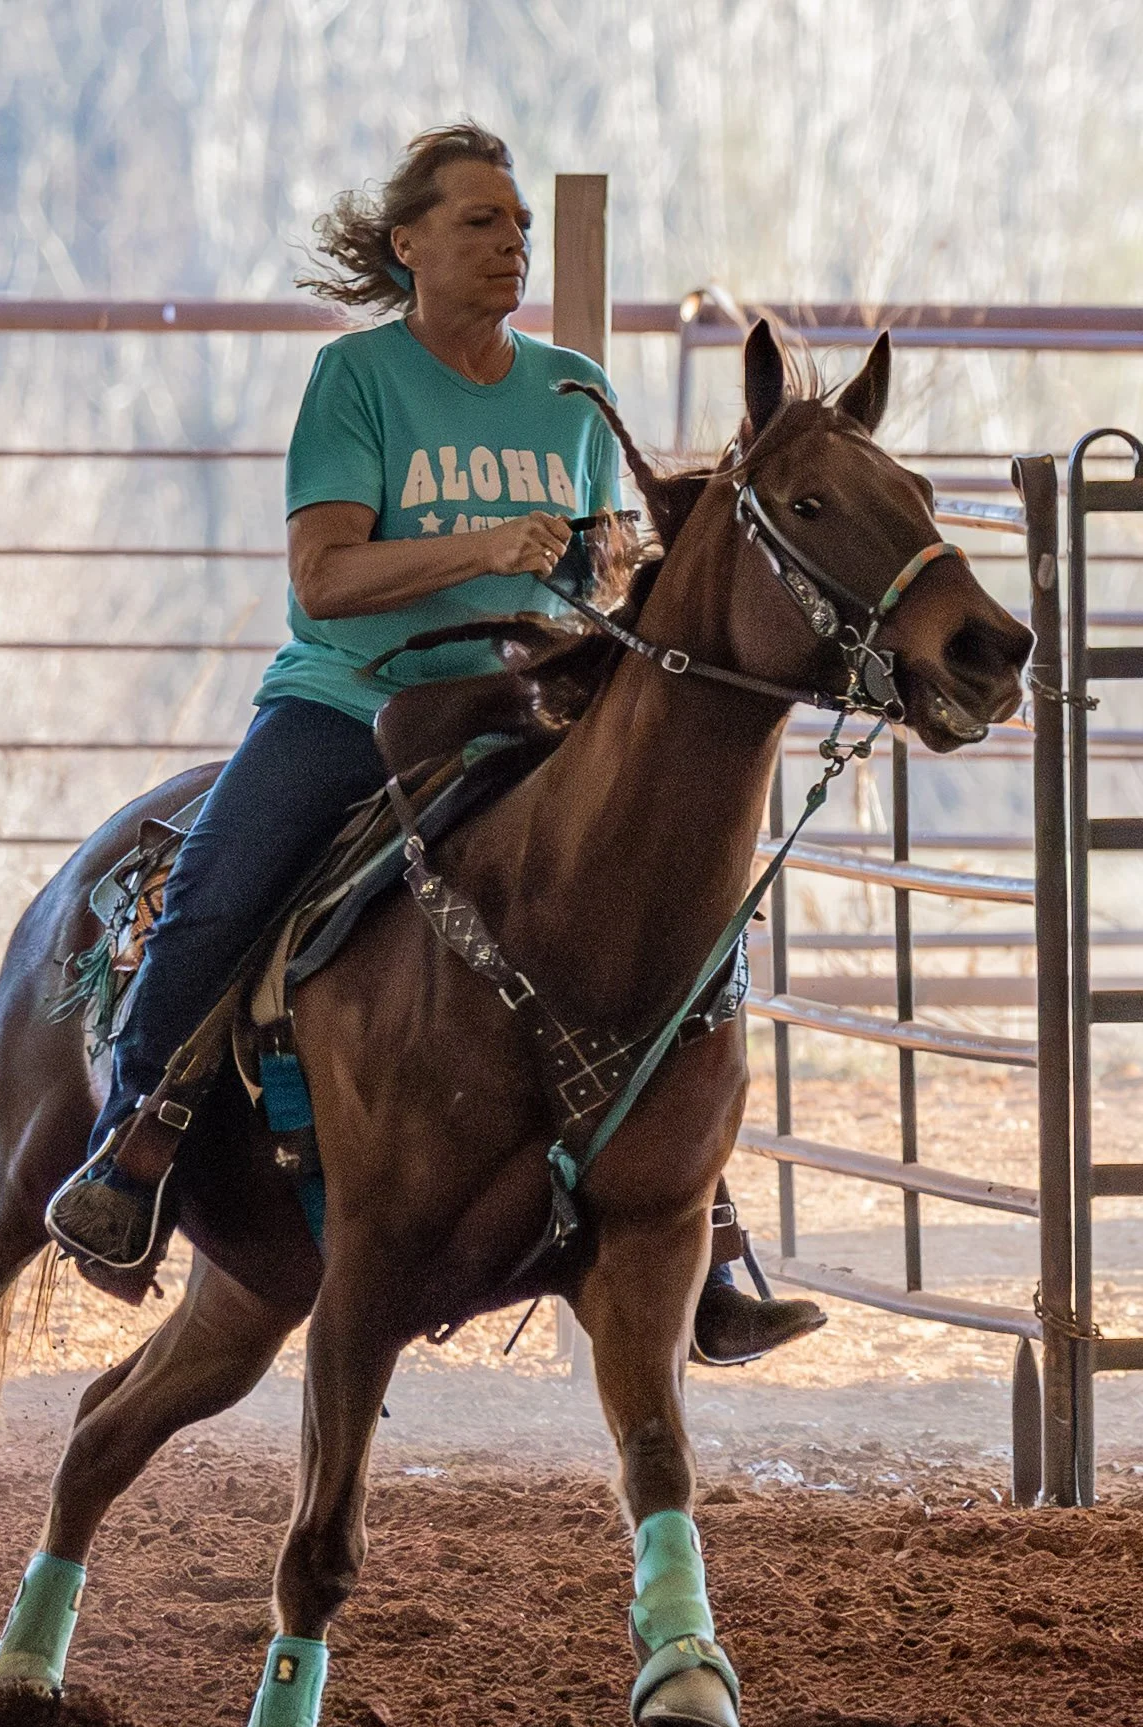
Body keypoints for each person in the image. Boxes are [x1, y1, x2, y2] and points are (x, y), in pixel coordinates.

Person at [45, 122, 822, 1368]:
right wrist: (481, 545)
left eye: (517, 225)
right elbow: (320, 581)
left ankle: (700, 1217)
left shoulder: (570, 388)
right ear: (408, 245)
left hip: (519, 712)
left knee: (665, 914)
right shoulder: (357, 381)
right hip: (354, 703)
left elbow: (595, 563)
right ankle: (127, 1154)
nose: (510, 242)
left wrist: (608, 569)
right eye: (480, 222)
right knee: (216, 890)